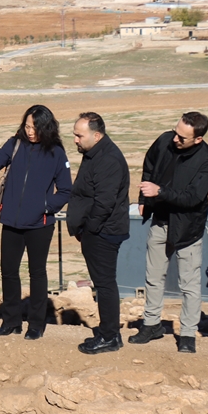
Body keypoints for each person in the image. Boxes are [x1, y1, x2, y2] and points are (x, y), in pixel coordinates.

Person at [0, 104, 72, 339]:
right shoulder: (15, 144)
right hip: (11, 220)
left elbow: (65, 190)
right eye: (27, 126)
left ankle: (36, 325)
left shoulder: (56, 153)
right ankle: (11, 322)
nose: (30, 131)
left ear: (46, 127)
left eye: (35, 127)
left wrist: (45, 207)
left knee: (37, 273)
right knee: (8, 271)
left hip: (40, 224)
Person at [130, 111, 208, 353]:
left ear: (197, 139)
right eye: (175, 131)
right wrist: (143, 197)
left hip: (187, 228)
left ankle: (188, 334)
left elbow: (193, 197)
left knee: (189, 284)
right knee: (153, 276)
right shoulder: (164, 141)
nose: (175, 139)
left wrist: (160, 192)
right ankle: (151, 324)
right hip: (160, 220)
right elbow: (149, 167)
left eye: (182, 137)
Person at [67, 112, 130, 354]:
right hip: (98, 231)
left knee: (104, 285)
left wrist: (89, 228)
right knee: (102, 283)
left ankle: (109, 336)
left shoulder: (108, 160)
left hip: (103, 232)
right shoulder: (94, 153)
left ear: (96, 134)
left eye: (79, 135)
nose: (75, 140)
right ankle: (108, 332)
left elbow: (104, 202)